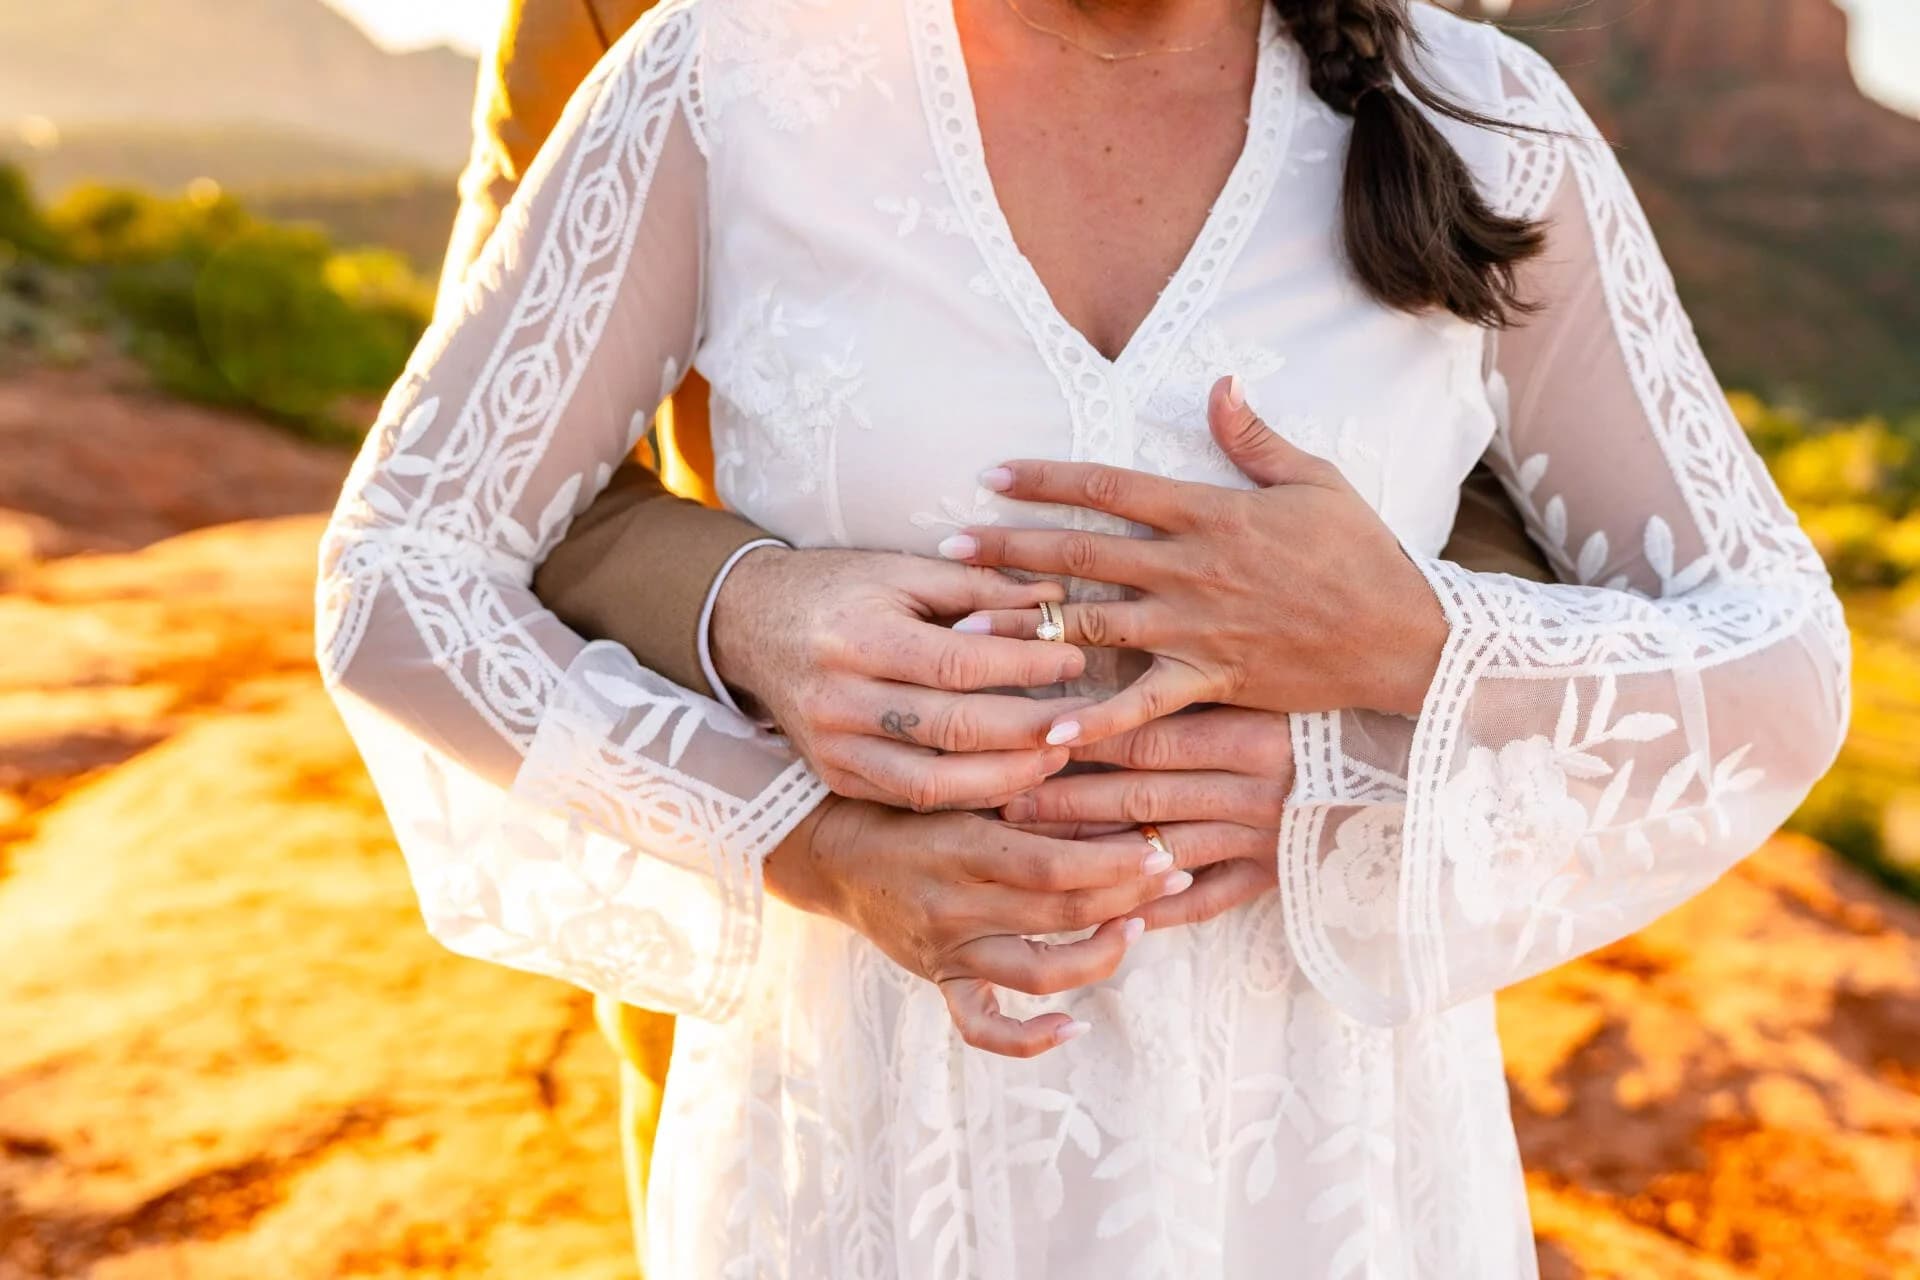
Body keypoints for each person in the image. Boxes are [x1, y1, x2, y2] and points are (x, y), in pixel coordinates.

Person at [318, 0, 1849, 1270]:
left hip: (1327, 1178)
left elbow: (1776, 653)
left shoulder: (1482, 116)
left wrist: (1406, 656)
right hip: (867, 1147)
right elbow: (400, 569)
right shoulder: (721, 81)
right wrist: (799, 837)